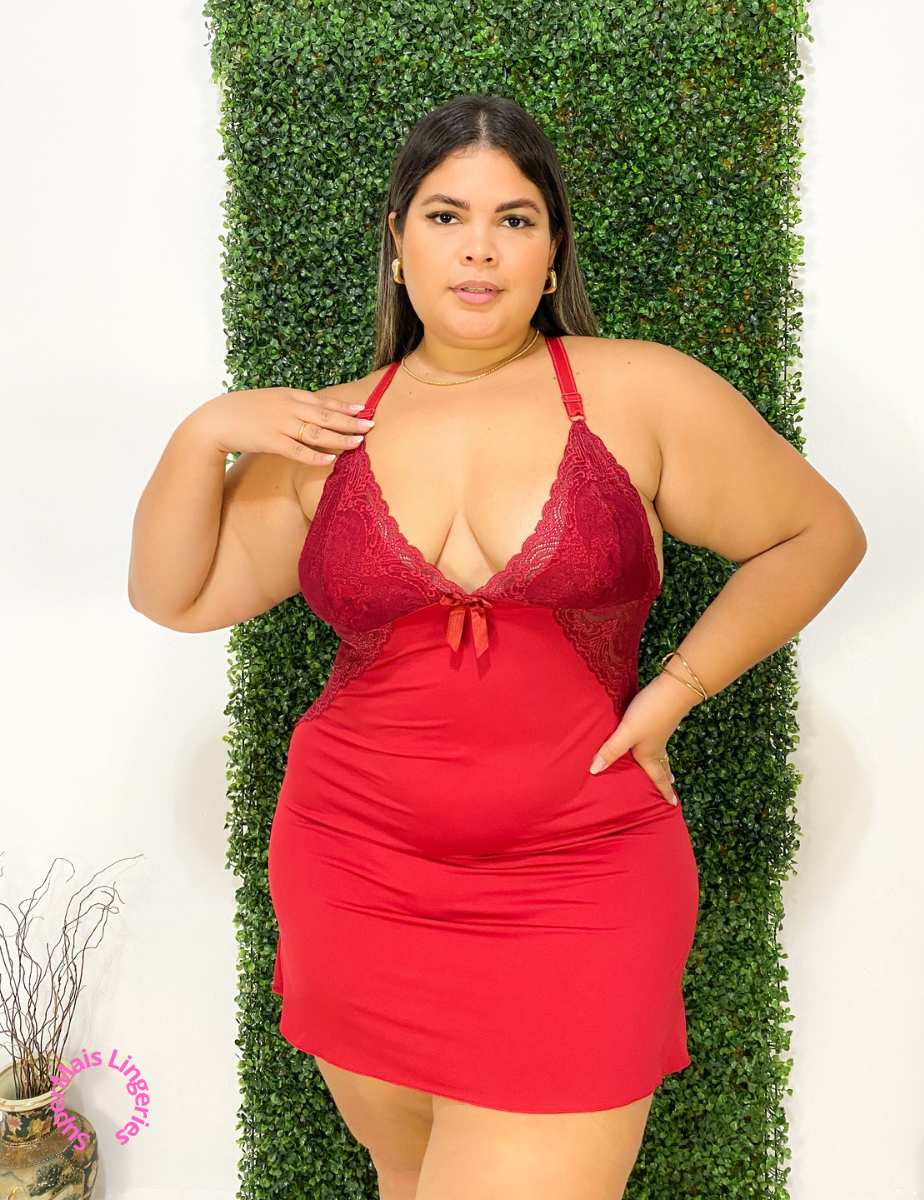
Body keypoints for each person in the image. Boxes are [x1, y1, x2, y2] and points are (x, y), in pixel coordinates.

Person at [129, 93, 866, 1200]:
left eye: (514, 219)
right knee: (407, 1176)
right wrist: (201, 436)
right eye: (446, 216)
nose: (479, 248)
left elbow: (816, 535)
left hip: (583, 876)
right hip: (354, 869)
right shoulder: (328, 430)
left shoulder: (638, 391)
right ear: (397, 241)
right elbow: (174, 594)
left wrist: (672, 693)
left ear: (552, 248)